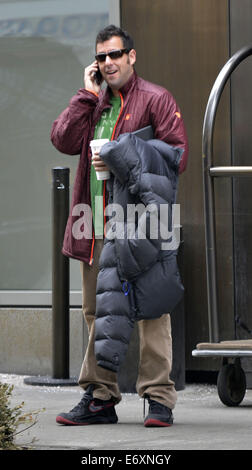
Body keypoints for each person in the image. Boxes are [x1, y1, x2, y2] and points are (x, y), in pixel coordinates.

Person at [50, 24, 188, 427]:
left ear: (131, 56)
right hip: (93, 221)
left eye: (114, 54)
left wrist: (119, 156)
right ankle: (100, 397)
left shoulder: (156, 99)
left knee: (151, 311)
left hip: (141, 223)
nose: (107, 63)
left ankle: (159, 398)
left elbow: (176, 156)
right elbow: (61, 138)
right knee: (96, 312)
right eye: (101, 57)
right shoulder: (95, 101)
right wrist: (86, 96)